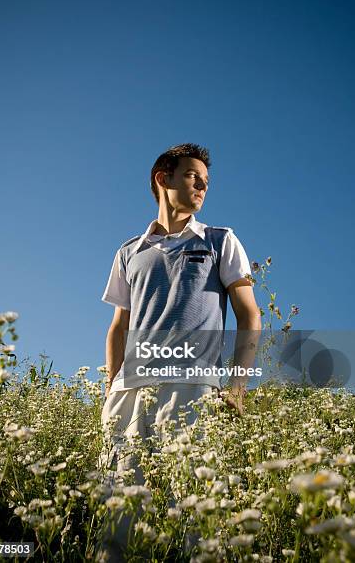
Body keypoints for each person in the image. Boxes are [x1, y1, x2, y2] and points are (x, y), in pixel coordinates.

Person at [99, 143, 261, 484]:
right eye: (192, 176)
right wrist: (111, 386)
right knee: (118, 504)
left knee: (188, 501)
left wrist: (236, 388)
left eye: (205, 180)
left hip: (193, 384)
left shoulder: (221, 240)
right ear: (164, 178)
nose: (202, 186)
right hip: (129, 392)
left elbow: (249, 316)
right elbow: (119, 325)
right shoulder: (128, 252)